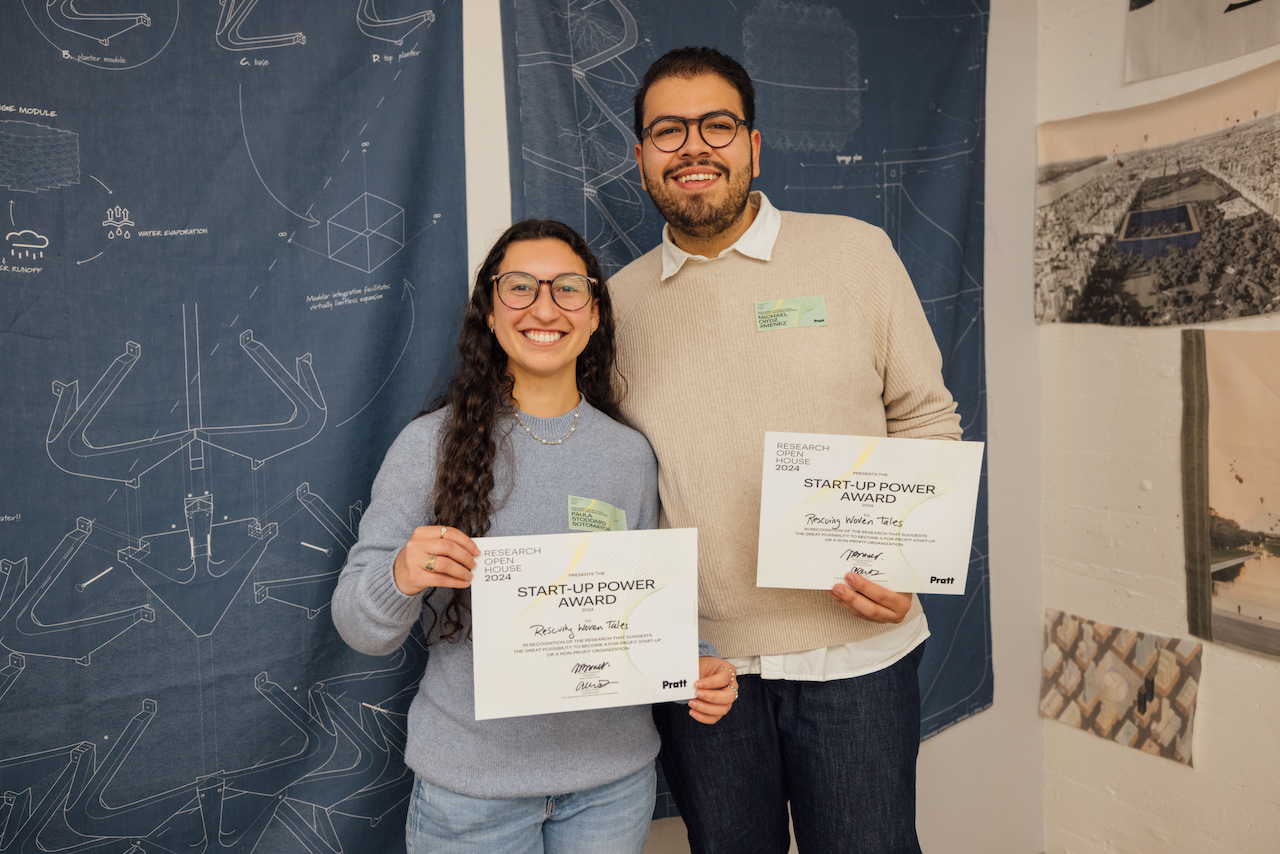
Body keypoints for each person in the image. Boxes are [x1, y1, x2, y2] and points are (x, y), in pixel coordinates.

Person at [610, 48, 964, 854]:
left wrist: (905, 566)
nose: (693, 147)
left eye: (717, 126)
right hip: (706, 674)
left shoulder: (856, 253)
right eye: (668, 131)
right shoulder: (616, 306)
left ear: (754, 146)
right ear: (640, 159)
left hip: (857, 656)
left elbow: (927, 417)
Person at [331, 219, 737, 854]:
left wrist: (700, 661)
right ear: (490, 314)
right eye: (519, 287)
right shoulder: (427, 447)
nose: (544, 307)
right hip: (472, 796)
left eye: (567, 288)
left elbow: (646, 606)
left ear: (595, 312)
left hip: (611, 788)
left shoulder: (630, 456)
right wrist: (401, 575)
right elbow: (360, 628)